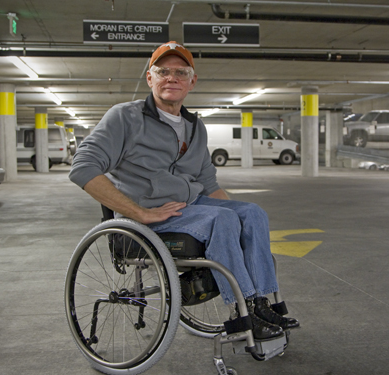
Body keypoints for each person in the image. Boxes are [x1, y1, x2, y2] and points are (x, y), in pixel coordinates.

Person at [69, 41, 298, 340]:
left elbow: (209, 185)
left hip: (190, 208)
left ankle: (261, 304)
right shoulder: (125, 117)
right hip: (148, 217)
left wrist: (241, 222)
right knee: (223, 219)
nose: (171, 78)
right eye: (163, 71)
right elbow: (83, 167)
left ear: (192, 81)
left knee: (252, 213)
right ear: (150, 78)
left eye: (181, 72)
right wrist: (140, 213)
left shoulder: (195, 127)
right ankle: (243, 315)